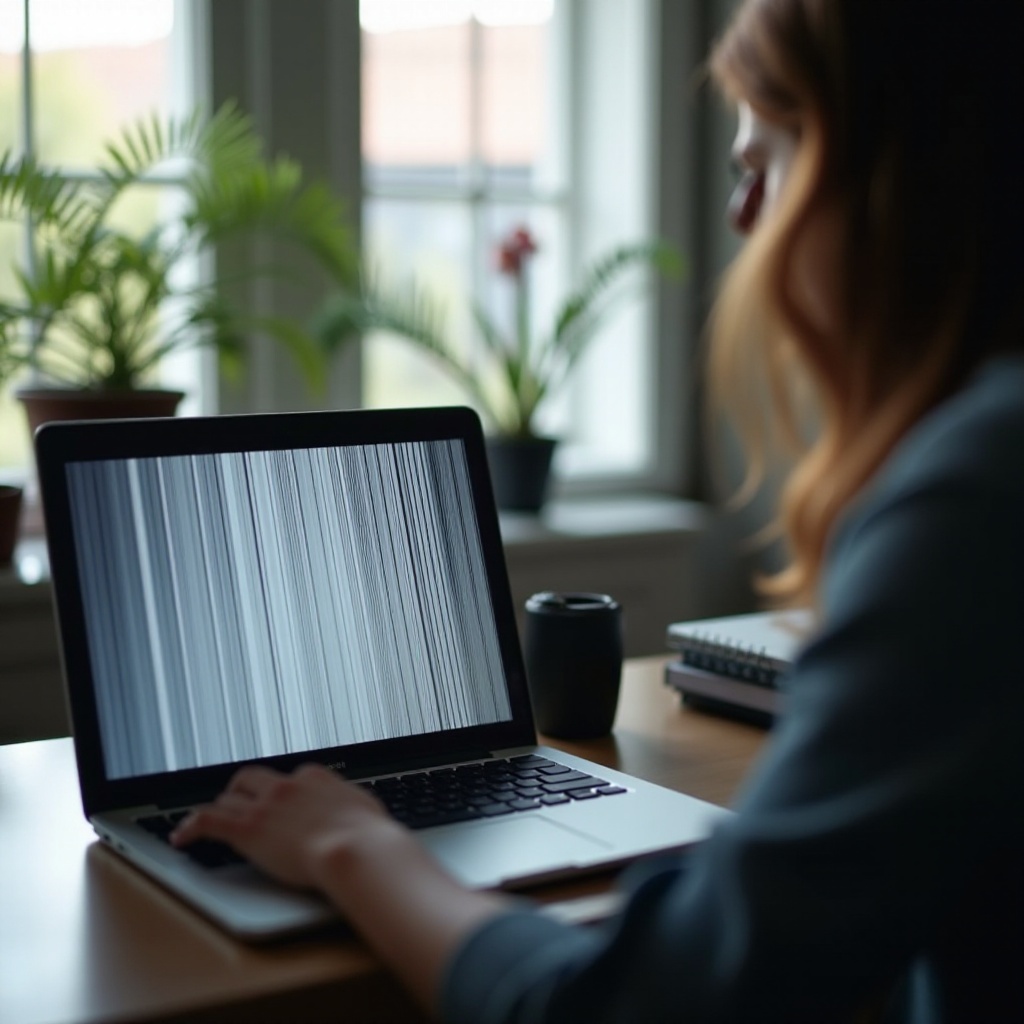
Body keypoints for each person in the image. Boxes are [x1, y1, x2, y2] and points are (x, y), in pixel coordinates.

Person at [172, 1, 1024, 1020]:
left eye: (763, 168)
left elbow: (626, 1008)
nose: (744, 222)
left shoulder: (978, 493)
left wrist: (350, 842)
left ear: (894, 179)